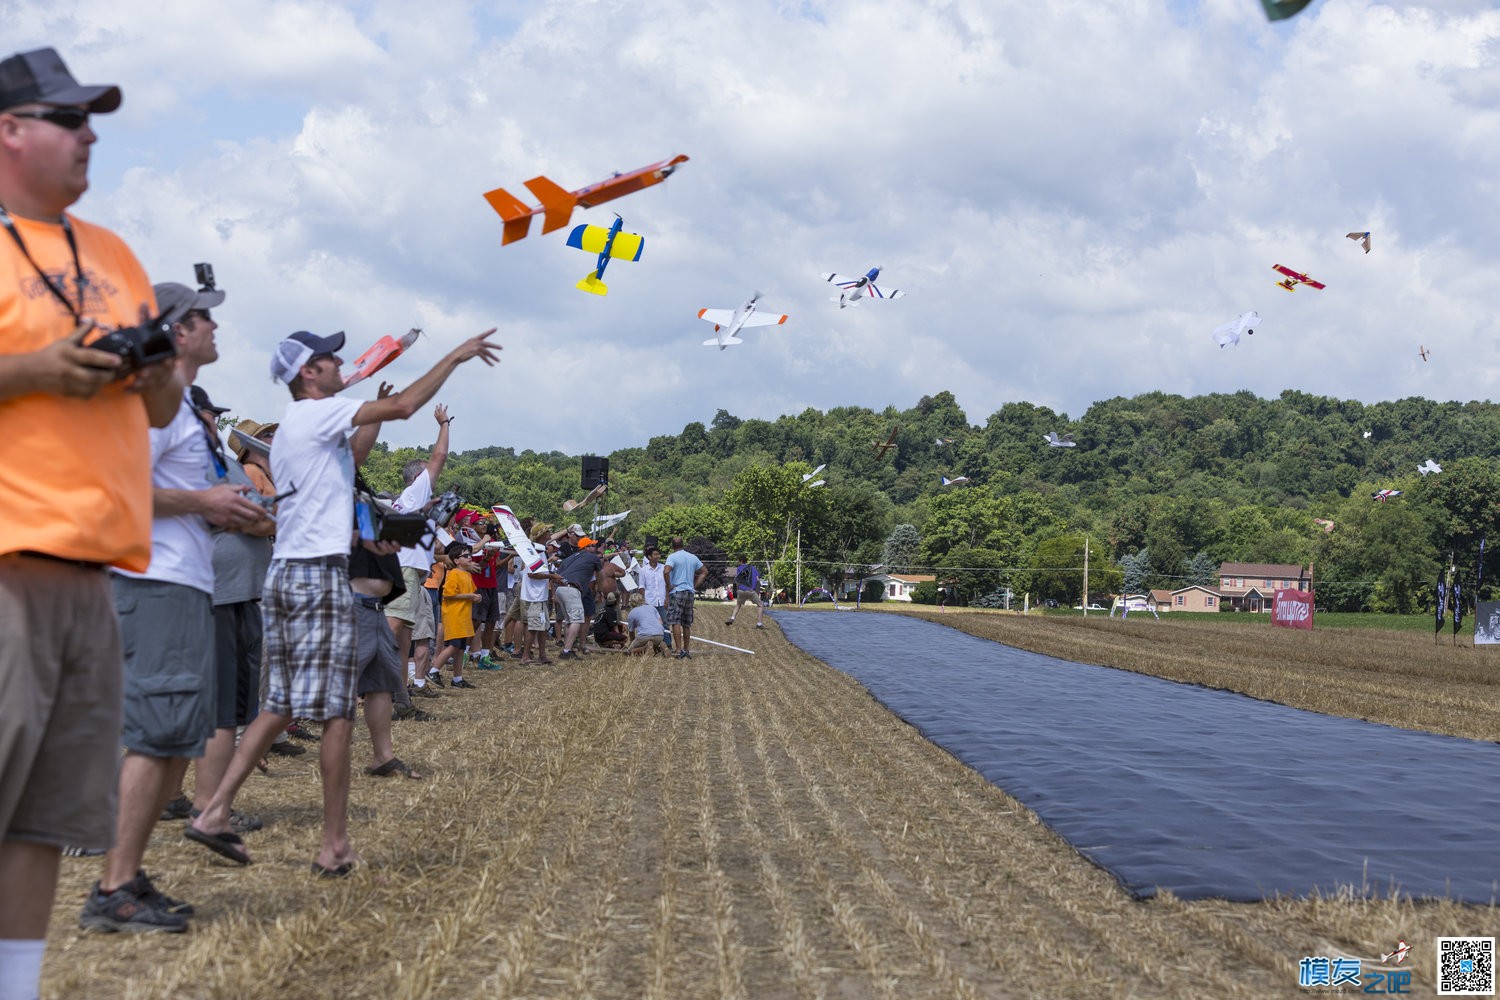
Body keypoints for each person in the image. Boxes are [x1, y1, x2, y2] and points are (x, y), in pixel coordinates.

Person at [0, 44, 190, 972]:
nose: (89, 137)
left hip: (96, 571)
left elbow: (156, 409)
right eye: (70, 120)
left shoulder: (114, 252)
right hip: (8, 564)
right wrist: (33, 372)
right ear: (11, 131)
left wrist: (155, 371)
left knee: (44, 815)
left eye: (92, 122)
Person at [186, 326, 499, 875]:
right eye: (328, 357)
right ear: (309, 372)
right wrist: (455, 356)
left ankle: (214, 813)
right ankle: (331, 846)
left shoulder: (302, 433)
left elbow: (348, 462)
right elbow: (404, 406)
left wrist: (363, 526)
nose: (339, 363)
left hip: (291, 575)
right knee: (335, 715)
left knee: (281, 703)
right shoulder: (312, 414)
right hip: (316, 580)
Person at [384, 409, 451, 700]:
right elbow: (440, 457)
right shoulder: (415, 492)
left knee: (402, 639)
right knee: (392, 631)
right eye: (427, 473)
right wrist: (444, 424)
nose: (433, 476)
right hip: (405, 570)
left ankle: (401, 697)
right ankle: (364, 683)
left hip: (403, 569)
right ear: (417, 477)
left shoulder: (406, 502)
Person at [432, 542, 479, 688]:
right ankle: (434, 670)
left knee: (460, 648)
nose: (469, 558)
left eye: (469, 555)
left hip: (463, 616)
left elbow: (467, 593)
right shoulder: (453, 574)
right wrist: (470, 596)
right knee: (453, 646)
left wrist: (474, 597)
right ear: (457, 560)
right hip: (454, 616)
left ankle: (457, 678)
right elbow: (448, 594)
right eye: (465, 556)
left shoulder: (466, 574)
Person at [663, 537, 707, 659]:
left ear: (672, 546)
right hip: (689, 592)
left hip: (677, 591)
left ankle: (678, 649)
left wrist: (669, 586)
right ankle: (686, 649)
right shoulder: (692, 557)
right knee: (686, 623)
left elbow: (666, 571)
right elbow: (704, 571)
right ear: (683, 545)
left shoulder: (672, 557)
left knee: (675, 621)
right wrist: (694, 585)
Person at [636, 545, 671, 648]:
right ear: (649, 557)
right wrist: (643, 602)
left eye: (658, 554)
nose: (657, 556)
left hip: (661, 601)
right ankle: (651, 645)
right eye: (655, 554)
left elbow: (667, 585)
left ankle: (668, 645)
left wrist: (667, 599)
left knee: (664, 623)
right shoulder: (644, 570)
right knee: (650, 624)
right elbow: (641, 587)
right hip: (649, 602)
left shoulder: (663, 568)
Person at [725, 555, 766, 628]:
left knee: (738, 605)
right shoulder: (753, 568)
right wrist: (756, 590)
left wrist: (738, 589)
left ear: (740, 561)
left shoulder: (739, 568)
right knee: (760, 606)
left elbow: (738, 580)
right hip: (751, 591)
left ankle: (732, 618)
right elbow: (757, 580)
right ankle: (759, 623)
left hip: (741, 590)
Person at [624, 591, 667, 656]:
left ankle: (646, 648)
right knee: (653, 646)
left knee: (629, 651)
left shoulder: (632, 613)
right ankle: (661, 647)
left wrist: (632, 642)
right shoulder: (652, 607)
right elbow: (661, 623)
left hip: (644, 636)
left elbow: (631, 631)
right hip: (660, 635)